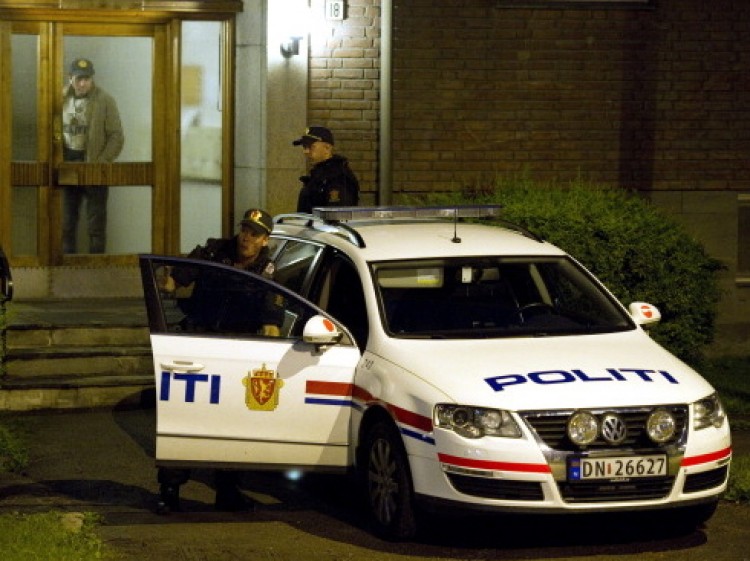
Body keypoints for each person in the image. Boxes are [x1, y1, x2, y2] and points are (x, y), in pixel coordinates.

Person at [156, 208, 280, 514]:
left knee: (230, 426)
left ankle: (227, 493)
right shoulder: (214, 251)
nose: (246, 238)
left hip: (236, 355)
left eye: (254, 234)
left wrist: (270, 326)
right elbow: (180, 276)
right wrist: (171, 281)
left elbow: (272, 309)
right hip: (199, 349)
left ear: (265, 240)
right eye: (245, 230)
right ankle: (169, 492)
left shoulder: (267, 270)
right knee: (184, 422)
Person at [61, 58, 124, 254]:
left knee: (96, 226)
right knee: (66, 223)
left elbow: (116, 136)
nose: (82, 83)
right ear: (70, 78)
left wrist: (101, 162)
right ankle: (65, 272)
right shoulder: (59, 98)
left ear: (92, 78)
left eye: (86, 79)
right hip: (68, 165)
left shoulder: (105, 100)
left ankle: (97, 269)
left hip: (94, 166)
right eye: (78, 78)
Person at [292, 126, 360, 213]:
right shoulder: (319, 175)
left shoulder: (338, 177)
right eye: (304, 147)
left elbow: (337, 216)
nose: (306, 151)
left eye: (311, 147)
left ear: (327, 148)